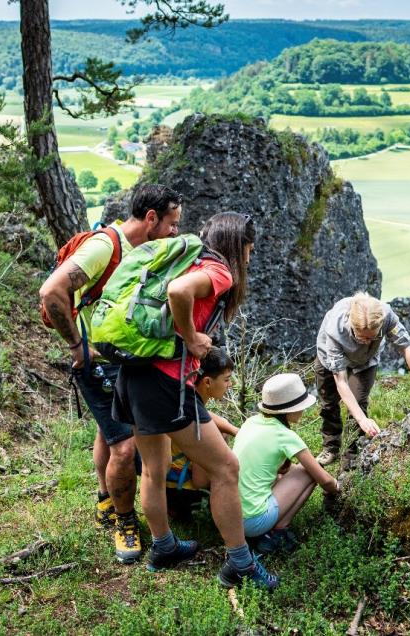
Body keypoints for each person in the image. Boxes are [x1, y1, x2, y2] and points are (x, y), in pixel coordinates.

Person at [113, 212, 280, 589]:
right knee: (226, 468)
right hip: (165, 383)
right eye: (249, 250)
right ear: (237, 245)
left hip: (134, 372)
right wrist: (191, 338)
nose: (250, 258)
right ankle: (240, 564)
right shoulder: (219, 271)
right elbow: (178, 292)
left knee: (154, 468)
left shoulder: (188, 258)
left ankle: (164, 547)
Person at [38, 184, 182, 564]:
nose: (175, 231)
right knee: (125, 446)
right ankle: (125, 521)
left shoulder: (146, 249)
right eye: (172, 223)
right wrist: (77, 346)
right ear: (150, 218)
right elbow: (51, 292)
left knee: (108, 430)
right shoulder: (106, 246)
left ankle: (105, 498)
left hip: (126, 360)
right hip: (99, 362)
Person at [315, 292, 410, 470]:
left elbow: (406, 349)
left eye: (372, 337)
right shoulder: (335, 329)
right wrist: (363, 420)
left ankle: (350, 459)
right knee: (328, 403)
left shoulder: (386, 316)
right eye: (361, 337)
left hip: (366, 361)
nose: (366, 342)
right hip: (329, 360)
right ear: (352, 326)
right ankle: (331, 447)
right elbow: (341, 382)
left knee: (358, 403)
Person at [234, 373, 339, 554]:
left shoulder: (251, 422)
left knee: (293, 471)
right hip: (253, 522)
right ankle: (277, 532)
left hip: (231, 516)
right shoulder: (285, 436)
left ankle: (269, 529)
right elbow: (325, 480)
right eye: (300, 406)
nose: (303, 410)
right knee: (308, 471)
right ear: (289, 410)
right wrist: (339, 488)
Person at [165, 346, 239, 519]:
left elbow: (207, 415)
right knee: (219, 441)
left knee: (221, 432)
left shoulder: (185, 400)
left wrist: (236, 430)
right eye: (226, 380)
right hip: (184, 497)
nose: (230, 385)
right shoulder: (196, 420)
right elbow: (200, 481)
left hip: (169, 490)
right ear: (207, 382)